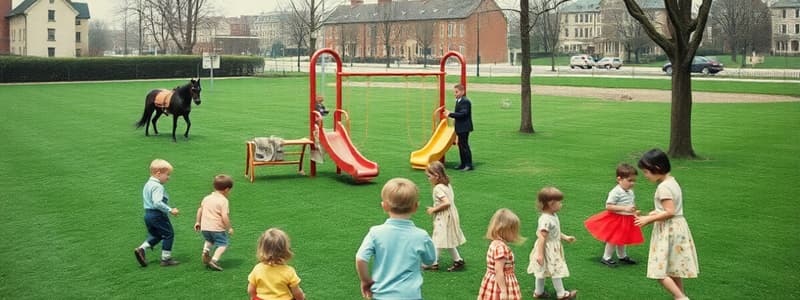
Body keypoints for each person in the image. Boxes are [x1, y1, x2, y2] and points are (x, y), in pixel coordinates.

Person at [356, 178, 436, 300]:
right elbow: (430, 260)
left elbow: (360, 258)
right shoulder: (421, 235)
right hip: (411, 296)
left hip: (382, 295)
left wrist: (365, 280)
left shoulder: (375, 233)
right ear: (415, 207)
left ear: (384, 206)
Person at [634, 149, 698, 300]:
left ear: (656, 168)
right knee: (673, 269)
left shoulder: (663, 187)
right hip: (677, 227)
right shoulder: (672, 182)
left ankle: (681, 298)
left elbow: (670, 211)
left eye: (646, 172)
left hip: (669, 230)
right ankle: (680, 296)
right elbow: (668, 209)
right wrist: (653, 213)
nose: (645, 175)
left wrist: (647, 220)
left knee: (659, 271)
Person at [584, 163, 644, 267]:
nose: (632, 183)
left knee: (622, 238)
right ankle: (606, 257)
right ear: (619, 179)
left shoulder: (630, 191)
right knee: (613, 239)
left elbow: (631, 203)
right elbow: (609, 206)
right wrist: (624, 208)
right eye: (629, 180)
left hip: (627, 218)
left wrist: (634, 212)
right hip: (617, 218)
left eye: (634, 181)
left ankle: (622, 256)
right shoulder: (616, 192)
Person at [527, 187, 577, 300]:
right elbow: (542, 237)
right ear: (551, 203)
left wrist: (565, 237)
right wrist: (540, 254)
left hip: (551, 246)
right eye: (559, 202)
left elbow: (554, 232)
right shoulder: (545, 220)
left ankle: (538, 292)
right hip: (548, 249)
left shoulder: (552, 216)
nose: (561, 204)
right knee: (555, 270)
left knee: (542, 270)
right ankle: (561, 294)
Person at [133, 159, 180, 267]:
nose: (168, 177)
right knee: (169, 234)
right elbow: (157, 202)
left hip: (148, 215)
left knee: (157, 235)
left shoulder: (148, 184)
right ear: (158, 173)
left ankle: (141, 249)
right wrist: (170, 210)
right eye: (167, 174)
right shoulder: (158, 186)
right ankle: (166, 259)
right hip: (157, 215)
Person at [422, 161, 467, 272]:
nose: (428, 179)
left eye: (429, 176)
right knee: (446, 238)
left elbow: (447, 203)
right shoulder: (447, 185)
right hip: (451, 215)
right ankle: (458, 260)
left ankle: (433, 263)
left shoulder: (438, 188)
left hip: (444, 217)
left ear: (436, 176)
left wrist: (433, 209)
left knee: (437, 239)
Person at [478, 208, 524, 300]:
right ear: (504, 230)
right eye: (514, 231)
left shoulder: (494, 243)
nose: (515, 235)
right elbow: (499, 271)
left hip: (492, 280)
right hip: (502, 282)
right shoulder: (501, 248)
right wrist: (503, 291)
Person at [247, 228, 305, 300]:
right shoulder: (288, 271)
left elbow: (250, 290)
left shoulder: (257, 268)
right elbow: (297, 293)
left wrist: (254, 297)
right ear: (285, 250)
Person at [194, 174, 235, 271]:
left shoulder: (207, 198)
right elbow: (224, 216)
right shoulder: (223, 201)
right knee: (223, 244)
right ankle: (214, 260)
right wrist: (229, 228)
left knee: (209, 240)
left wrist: (197, 222)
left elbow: (200, 210)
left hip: (205, 227)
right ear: (227, 189)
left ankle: (205, 251)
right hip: (216, 228)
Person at [443, 83, 473, 171]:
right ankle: (463, 163)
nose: (455, 94)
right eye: (454, 92)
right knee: (460, 145)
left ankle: (468, 164)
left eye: (456, 92)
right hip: (460, 127)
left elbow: (463, 114)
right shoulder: (459, 101)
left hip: (464, 127)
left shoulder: (465, 101)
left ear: (462, 92)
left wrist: (450, 114)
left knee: (464, 145)